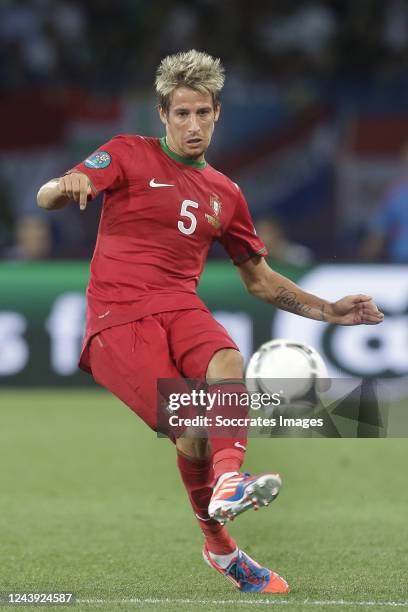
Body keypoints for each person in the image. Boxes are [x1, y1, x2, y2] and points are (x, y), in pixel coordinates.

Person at [37, 50, 383, 595]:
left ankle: (229, 479)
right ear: (163, 115)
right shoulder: (127, 153)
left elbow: (262, 281)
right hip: (118, 320)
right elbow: (50, 192)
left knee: (228, 359)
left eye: (202, 113)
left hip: (181, 307)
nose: (193, 125)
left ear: (217, 112)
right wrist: (65, 186)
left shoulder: (226, 194)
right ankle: (220, 546)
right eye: (181, 114)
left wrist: (329, 311)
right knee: (193, 431)